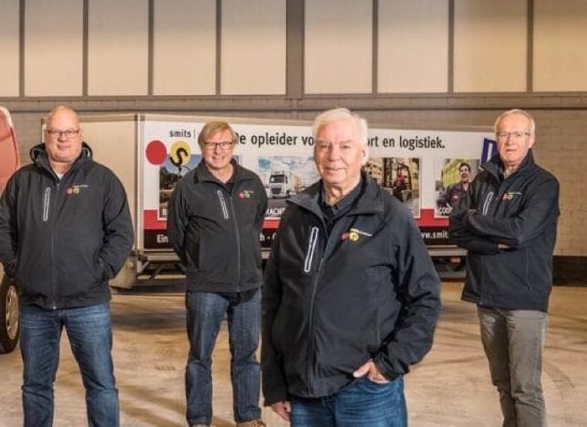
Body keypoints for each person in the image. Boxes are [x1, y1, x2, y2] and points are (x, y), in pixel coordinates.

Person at [261, 108, 442, 427]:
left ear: (363, 153)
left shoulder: (390, 217)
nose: (334, 156)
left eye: (345, 146)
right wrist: (274, 381)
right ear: (315, 152)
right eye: (324, 146)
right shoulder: (295, 216)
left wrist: (390, 363)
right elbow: (274, 301)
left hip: (366, 391)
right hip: (304, 392)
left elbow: (424, 297)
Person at [0, 105, 134, 427]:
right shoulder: (23, 180)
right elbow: (1, 226)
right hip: (36, 304)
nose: (63, 138)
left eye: (70, 132)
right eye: (56, 132)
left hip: (88, 303)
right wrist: (17, 267)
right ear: (46, 135)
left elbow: (122, 233)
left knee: (101, 384)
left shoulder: (102, 180)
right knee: (36, 385)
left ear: (80, 135)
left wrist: (100, 271)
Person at [449, 109, 559, 427]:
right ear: (496, 139)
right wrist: (492, 243)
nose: (511, 141)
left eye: (518, 134)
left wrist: (474, 219)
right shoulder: (483, 180)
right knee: (502, 382)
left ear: (531, 139)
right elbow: (455, 229)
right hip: (486, 296)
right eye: (504, 134)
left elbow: (520, 233)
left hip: (524, 298)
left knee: (525, 387)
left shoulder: (543, 184)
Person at [166, 121, 268, 427]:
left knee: (247, 356)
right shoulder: (188, 186)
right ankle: (199, 419)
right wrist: (201, 262)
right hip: (206, 288)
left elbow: (256, 223)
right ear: (202, 147)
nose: (219, 150)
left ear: (233, 146)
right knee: (200, 356)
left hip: (248, 286)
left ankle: (248, 417)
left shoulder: (251, 182)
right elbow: (177, 234)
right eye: (212, 144)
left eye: (225, 144)